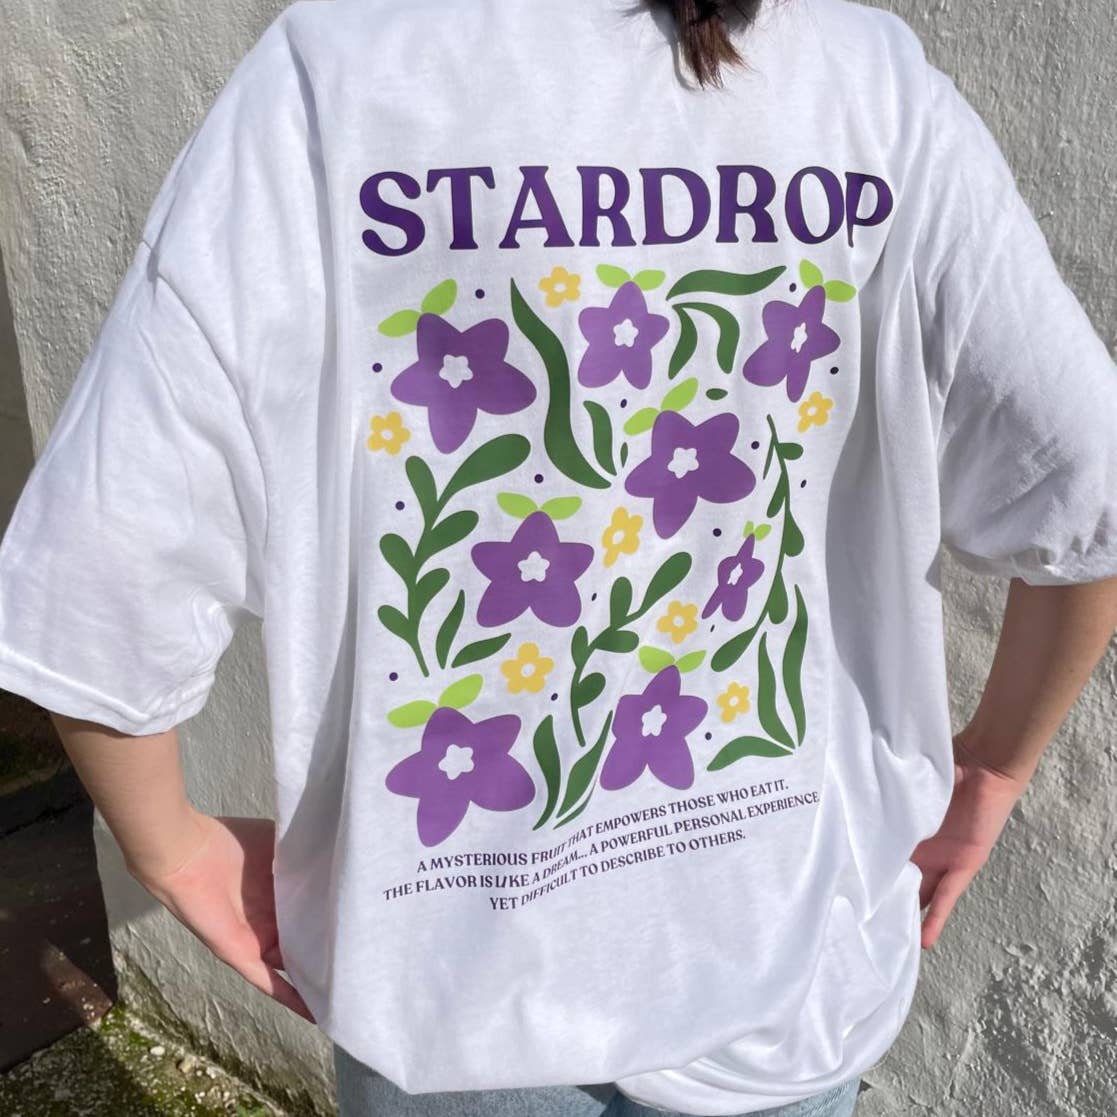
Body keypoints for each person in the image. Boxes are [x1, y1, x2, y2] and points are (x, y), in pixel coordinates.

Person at [1, 0, 1115, 1114]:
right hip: (798, 981)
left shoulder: (345, 71)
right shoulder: (870, 87)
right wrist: (989, 770)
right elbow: (1089, 481)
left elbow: (101, 563)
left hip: (450, 995)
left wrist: (173, 847)